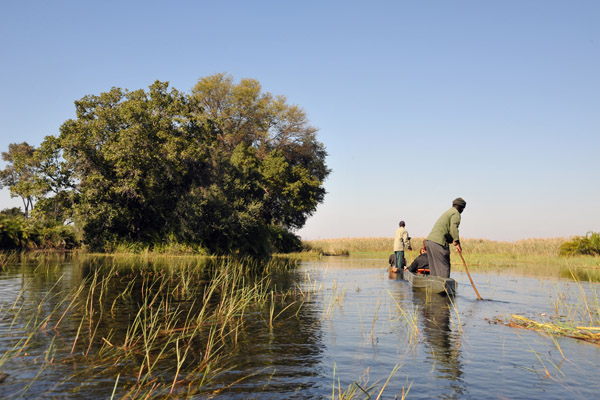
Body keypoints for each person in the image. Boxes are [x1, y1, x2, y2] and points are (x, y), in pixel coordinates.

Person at [425, 198, 466, 278]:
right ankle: (444, 288)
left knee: (434, 270)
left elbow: (446, 230)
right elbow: (453, 228)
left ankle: (434, 287)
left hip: (430, 242)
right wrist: (457, 243)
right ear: (462, 208)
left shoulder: (448, 212)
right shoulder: (456, 213)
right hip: (439, 243)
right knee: (444, 269)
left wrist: (452, 240)